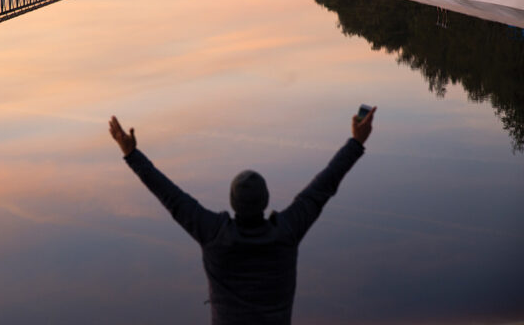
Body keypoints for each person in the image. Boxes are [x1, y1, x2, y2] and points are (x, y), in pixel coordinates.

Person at [108, 107, 376, 325]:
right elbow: (323, 186)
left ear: (232, 202)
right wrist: (355, 142)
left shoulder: (214, 234)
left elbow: (171, 197)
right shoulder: (287, 232)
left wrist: (131, 154)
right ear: (266, 200)